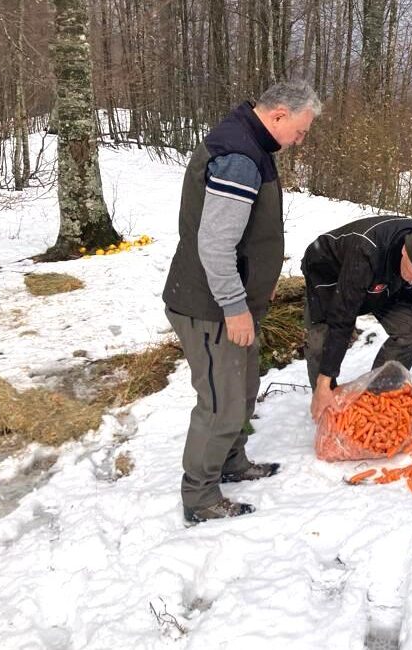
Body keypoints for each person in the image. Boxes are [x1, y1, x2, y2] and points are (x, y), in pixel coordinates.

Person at [163, 80, 321, 524]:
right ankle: (200, 497)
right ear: (277, 116)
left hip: (234, 302)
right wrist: (234, 306)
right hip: (210, 306)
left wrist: (259, 283)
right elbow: (214, 245)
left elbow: (246, 234)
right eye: (301, 131)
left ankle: (231, 462)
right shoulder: (239, 157)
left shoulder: (250, 144)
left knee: (242, 390)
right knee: (220, 402)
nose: (299, 140)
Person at [301, 216, 412, 422]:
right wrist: (324, 381)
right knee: (321, 342)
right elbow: (342, 317)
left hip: (388, 280)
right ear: (404, 252)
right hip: (331, 272)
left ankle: (374, 398)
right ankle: (326, 404)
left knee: (410, 334)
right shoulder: (366, 249)